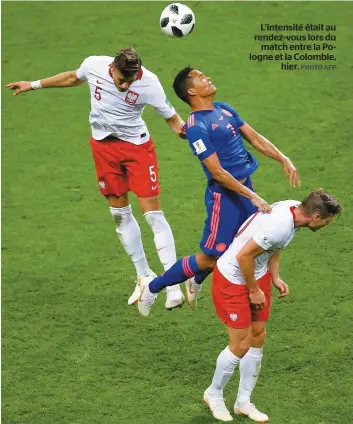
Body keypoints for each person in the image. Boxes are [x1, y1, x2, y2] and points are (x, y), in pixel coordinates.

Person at [5, 46, 186, 309]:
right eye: (121, 79)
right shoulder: (94, 65)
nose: (125, 85)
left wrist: (194, 133)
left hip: (137, 148)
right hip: (103, 148)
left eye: (130, 80)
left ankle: (173, 284)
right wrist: (32, 85)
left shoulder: (149, 83)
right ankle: (145, 276)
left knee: (153, 215)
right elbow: (72, 78)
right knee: (119, 214)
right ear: (111, 68)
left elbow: (172, 120)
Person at [137, 66, 301, 317]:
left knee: (236, 250)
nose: (208, 78)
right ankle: (153, 287)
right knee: (210, 257)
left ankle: (195, 282)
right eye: (202, 78)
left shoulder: (224, 108)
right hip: (224, 198)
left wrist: (283, 158)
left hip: (245, 190)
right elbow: (217, 172)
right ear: (192, 91)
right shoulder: (195, 126)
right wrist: (252, 197)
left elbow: (255, 138)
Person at [204, 189, 341, 422]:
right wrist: (253, 290)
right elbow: (243, 256)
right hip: (234, 278)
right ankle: (213, 393)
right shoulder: (280, 225)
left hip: (257, 274)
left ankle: (243, 402)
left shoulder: (294, 211)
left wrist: (274, 276)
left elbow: (273, 248)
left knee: (257, 335)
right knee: (241, 343)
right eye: (328, 220)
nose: (327, 224)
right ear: (316, 218)